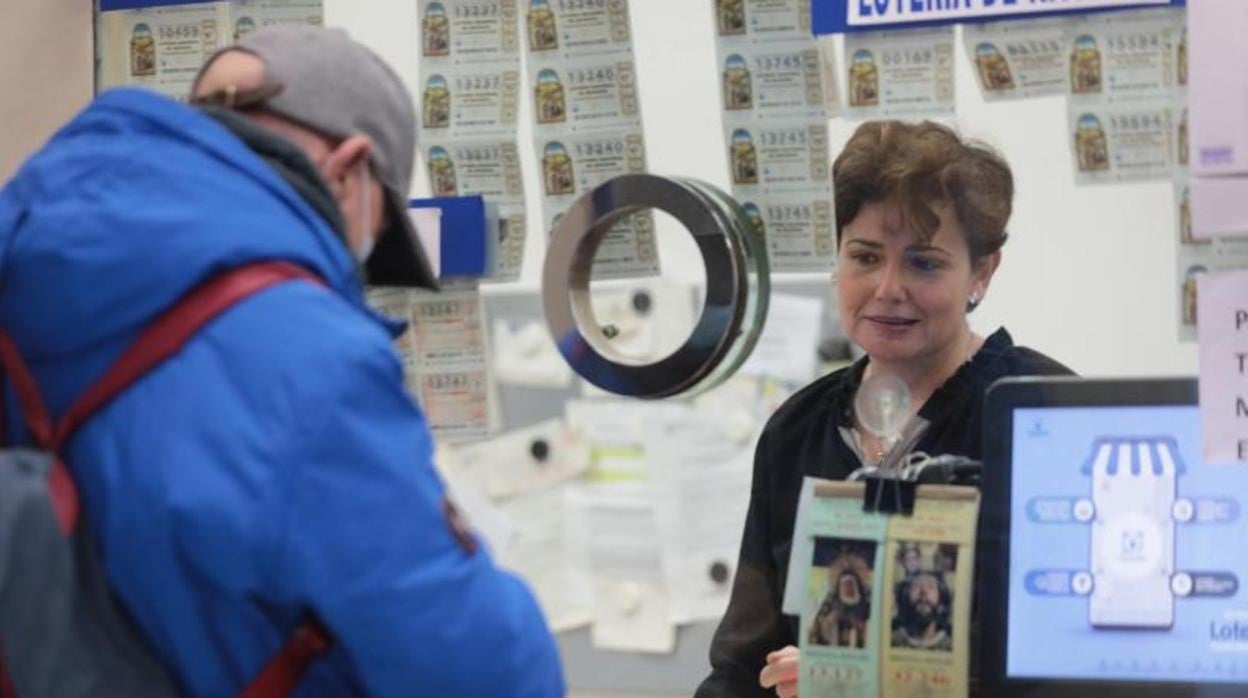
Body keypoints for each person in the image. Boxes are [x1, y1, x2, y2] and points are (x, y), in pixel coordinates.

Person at [0, 27, 563, 697]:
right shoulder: (307, 356)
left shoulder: (24, 245)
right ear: (348, 172)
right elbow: (476, 668)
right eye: (375, 236)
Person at [695, 120, 1073, 698]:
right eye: (866, 257)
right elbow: (741, 671)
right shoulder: (797, 431)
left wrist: (884, 681)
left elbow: (1082, 664)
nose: (888, 288)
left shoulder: (1042, 415)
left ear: (981, 272)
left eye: (923, 263)